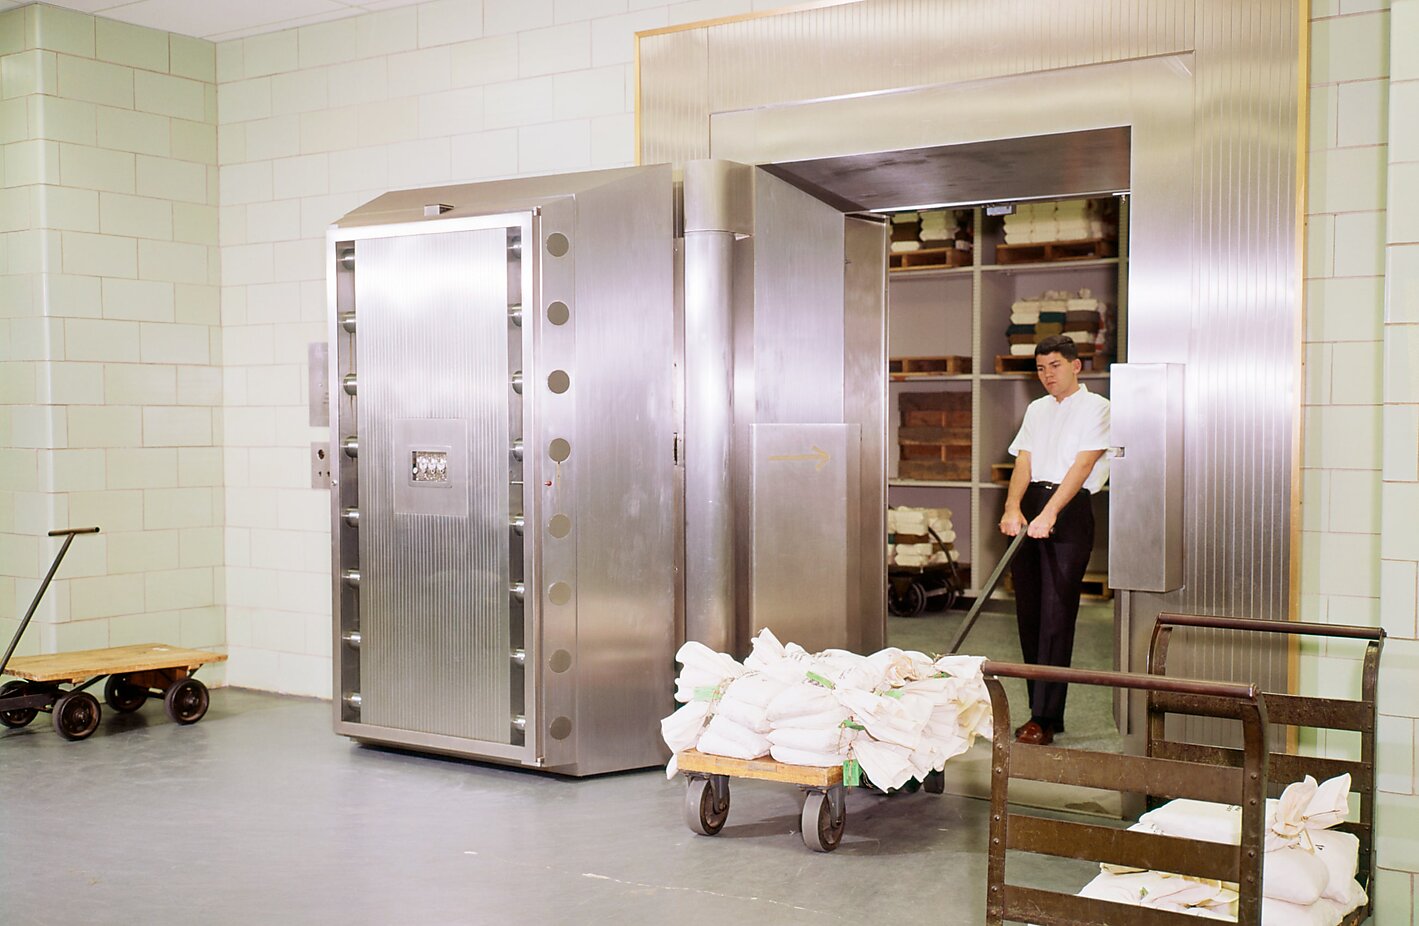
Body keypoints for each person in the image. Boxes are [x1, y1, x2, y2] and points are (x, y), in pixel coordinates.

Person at [998, 335, 1110, 746]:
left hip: (1071, 507)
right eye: (1041, 368)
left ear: (1076, 366)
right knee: (1029, 615)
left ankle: (1043, 719)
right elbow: (1023, 460)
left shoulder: (1098, 408)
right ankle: (1043, 712)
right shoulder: (1036, 409)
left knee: (1056, 617)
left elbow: (1083, 466)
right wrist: (1013, 508)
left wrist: (1050, 514)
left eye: (1055, 366)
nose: (1047, 375)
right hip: (1032, 505)